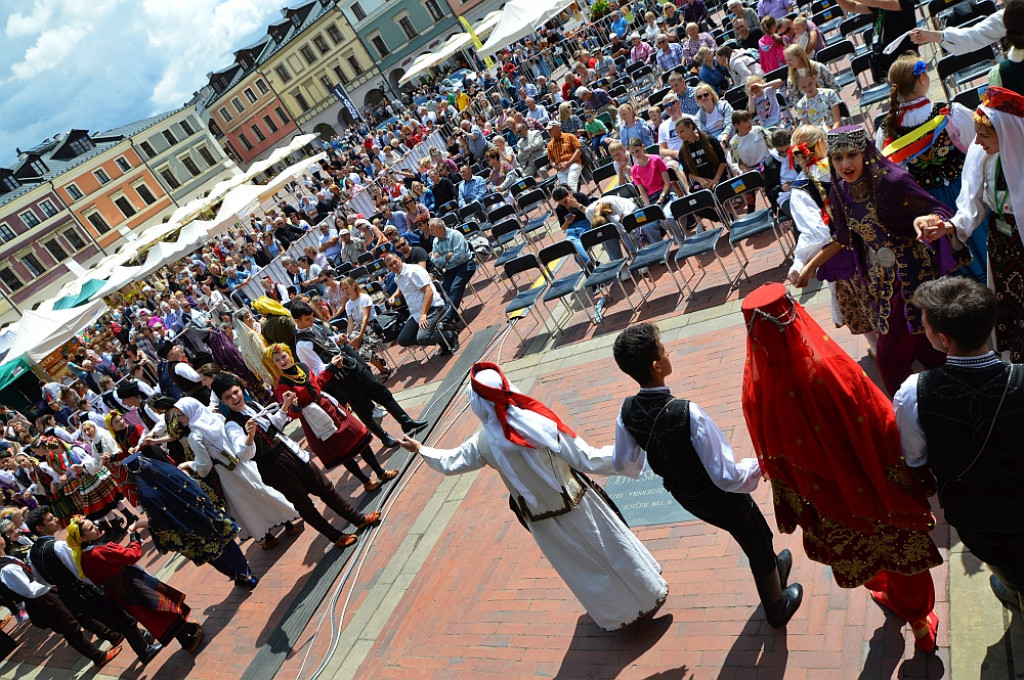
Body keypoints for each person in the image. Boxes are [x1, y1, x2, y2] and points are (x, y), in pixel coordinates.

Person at [741, 283, 942, 654]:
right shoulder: (833, 368)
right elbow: (882, 423)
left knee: (862, 556)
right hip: (874, 486)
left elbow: (775, 460)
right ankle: (919, 623)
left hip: (829, 503)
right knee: (900, 552)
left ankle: (888, 596)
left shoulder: (756, 390)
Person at [398, 363, 669, 631]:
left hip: (541, 520)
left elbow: (450, 462)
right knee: (611, 546)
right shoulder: (538, 423)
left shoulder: (482, 443)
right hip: (577, 501)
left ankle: (618, 614)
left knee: (581, 568)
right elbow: (585, 457)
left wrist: (421, 449)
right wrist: (630, 453)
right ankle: (647, 590)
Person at [612, 323, 803, 627]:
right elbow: (727, 476)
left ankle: (775, 570)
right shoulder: (689, 413)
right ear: (657, 366)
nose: (668, 350)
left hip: (686, 496)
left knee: (757, 533)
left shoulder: (627, 411)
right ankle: (776, 607)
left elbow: (624, 464)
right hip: (720, 496)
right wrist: (764, 463)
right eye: (663, 349)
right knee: (755, 538)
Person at [793, 125, 968, 394]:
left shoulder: (893, 182)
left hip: (914, 274)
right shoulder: (841, 189)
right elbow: (842, 238)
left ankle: (912, 409)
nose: (845, 164)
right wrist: (808, 267)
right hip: (882, 279)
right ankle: (953, 395)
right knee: (926, 346)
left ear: (864, 152)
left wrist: (926, 221)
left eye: (851, 155)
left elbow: (936, 209)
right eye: (837, 158)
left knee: (889, 358)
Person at [895, 277, 1024, 612]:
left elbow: (914, 456)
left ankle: (1013, 587)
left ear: (943, 339)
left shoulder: (914, 392)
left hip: (973, 513)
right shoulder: (1021, 377)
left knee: (1005, 566)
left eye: (924, 327)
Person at [213, 373, 381, 550]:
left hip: (290, 451)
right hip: (273, 467)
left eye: (235, 392)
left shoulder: (252, 405)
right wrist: (249, 436)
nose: (234, 398)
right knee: (305, 506)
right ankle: (336, 536)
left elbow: (275, 425)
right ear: (223, 402)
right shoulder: (232, 425)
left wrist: (285, 406)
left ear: (240, 389)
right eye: (228, 397)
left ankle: (359, 519)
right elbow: (244, 454)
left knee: (326, 488)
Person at [881, 54, 985, 282]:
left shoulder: (888, 131)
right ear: (922, 79)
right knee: (981, 246)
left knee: (954, 263)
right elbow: (980, 147)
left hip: (928, 206)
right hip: (965, 192)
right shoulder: (950, 113)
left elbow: (892, 174)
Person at [24, 506, 164, 665]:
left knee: (113, 618)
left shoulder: (32, 553)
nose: (55, 519)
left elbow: (42, 580)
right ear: (40, 528)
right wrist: (99, 584)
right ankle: (144, 651)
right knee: (123, 618)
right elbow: (80, 572)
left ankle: (144, 637)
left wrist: (62, 584)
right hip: (85, 591)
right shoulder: (58, 546)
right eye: (50, 519)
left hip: (69, 597)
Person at [262, 342, 398, 491]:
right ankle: (366, 481)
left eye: (283, 356)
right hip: (314, 419)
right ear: (273, 364)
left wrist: (331, 368)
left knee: (359, 436)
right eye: (277, 360)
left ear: (289, 354)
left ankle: (380, 472)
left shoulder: (302, 367)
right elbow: (293, 414)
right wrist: (293, 405)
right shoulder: (281, 386)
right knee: (343, 451)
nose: (282, 361)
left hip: (330, 407)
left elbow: (318, 383)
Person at [786, 125, 878, 342]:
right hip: (873, 240)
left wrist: (800, 262)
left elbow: (816, 234)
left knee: (861, 308)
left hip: (841, 254)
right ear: (821, 144)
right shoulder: (847, 164)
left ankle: (876, 347)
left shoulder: (801, 187)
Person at [169, 398, 299, 549]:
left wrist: (188, 464)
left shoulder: (194, 436)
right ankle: (288, 523)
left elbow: (204, 466)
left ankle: (267, 536)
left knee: (247, 506)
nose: (179, 420)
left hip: (227, 474)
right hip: (244, 461)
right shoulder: (216, 418)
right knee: (263, 491)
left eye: (180, 415)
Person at [67, 516, 206, 655]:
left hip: (120, 592)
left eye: (94, 525)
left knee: (154, 612)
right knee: (163, 607)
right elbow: (132, 555)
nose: (96, 528)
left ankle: (189, 630)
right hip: (134, 582)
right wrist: (134, 539)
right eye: (91, 528)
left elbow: (96, 581)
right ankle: (188, 640)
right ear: (83, 538)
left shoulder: (82, 559)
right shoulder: (101, 550)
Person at [0, 524, 123, 668]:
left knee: (79, 614)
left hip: (46, 592)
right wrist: (49, 586)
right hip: (42, 598)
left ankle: (111, 635)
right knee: (69, 628)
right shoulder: (6, 568)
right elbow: (30, 590)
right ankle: (98, 656)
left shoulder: (8, 557)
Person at [835, 0, 917, 80]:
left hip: (906, 63)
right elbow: (852, 6)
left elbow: (877, 2)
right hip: (887, 65)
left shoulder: (904, 2)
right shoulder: (879, 6)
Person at [428, 218, 475, 325]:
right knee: (443, 290)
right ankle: (452, 315)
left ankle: (447, 319)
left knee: (455, 287)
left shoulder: (455, 235)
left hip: (466, 265)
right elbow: (435, 262)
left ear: (440, 227)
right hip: (450, 269)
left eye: (432, 230)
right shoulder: (436, 241)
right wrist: (448, 255)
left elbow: (460, 256)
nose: (430, 233)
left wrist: (442, 257)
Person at [546, 120, 584, 192]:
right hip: (561, 170)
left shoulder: (570, 137)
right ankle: (573, 199)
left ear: (558, 128)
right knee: (564, 189)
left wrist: (568, 163)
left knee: (571, 183)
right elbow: (551, 161)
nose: (549, 131)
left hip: (574, 164)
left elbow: (578, 151)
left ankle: (573, 198)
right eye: (548, 130)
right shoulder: (550, 145)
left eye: (551, 129)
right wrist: (556, 167)